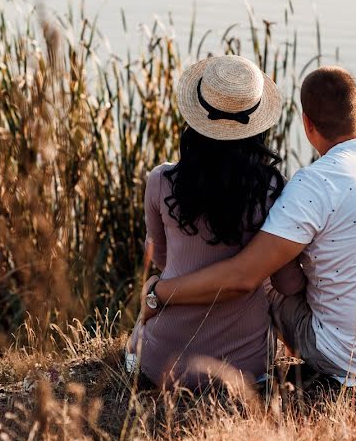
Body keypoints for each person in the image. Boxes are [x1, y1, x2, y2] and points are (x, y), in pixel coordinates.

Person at [140, 66, 356, 385]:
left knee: (264, 274)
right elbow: (292, 281)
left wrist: (157, 293)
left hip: (346, 354)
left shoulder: (312, 184)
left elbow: (242, 277)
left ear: (307, 123)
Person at [128, 54, 305, 389]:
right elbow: (287, 283)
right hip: (242, 369)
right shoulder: (273, 189)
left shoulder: (160, 181)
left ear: (195, 118)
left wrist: (157, 292)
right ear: (257, 123)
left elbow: (163, 262)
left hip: (159, 363)